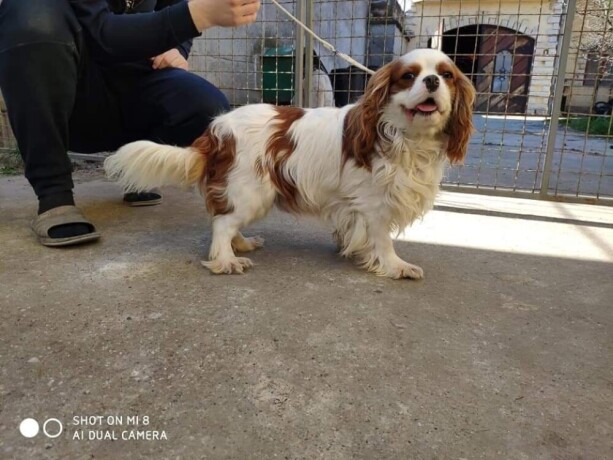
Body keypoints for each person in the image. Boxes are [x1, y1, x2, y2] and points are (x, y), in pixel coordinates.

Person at [0, 0, 260, 246]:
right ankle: (54, 194)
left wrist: (176, 49)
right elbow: (102, 33)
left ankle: (136, 172)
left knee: (207, 109)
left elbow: (173, 11)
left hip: (135, 83)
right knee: (32, 17)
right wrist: (200, 14)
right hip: (71, 97)